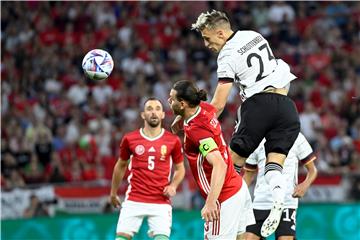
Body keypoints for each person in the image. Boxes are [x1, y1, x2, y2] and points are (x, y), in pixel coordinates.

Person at [188, 10, 301, 236]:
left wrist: (196, 120)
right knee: (274, 165)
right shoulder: (254, 35)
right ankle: (279, 193)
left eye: (207, 38)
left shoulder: (227, 55)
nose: (206, 44)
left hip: (258, 106)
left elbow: (219, 103)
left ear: (220, 33)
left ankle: (228, 214)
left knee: (230, 166)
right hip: (287, 107)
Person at [168, 80, 255, 240]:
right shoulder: (204, 110)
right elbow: (218, 105)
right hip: (238, 187)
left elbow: (219, 164)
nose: (169, 101)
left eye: (172, 99)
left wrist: (210, 202)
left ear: (182, 104)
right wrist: (181, 121)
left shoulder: (196, 131)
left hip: (224, 197)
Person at [109, 97, 185, 240]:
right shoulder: (130, 139)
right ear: (143, 115)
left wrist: (173, 185)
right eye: (149, 109)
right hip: (134, 199)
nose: (153, 112)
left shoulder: (173, 141)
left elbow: (180, 169)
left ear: (163, 114)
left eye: (157, 109)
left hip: (161, 200)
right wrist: (113, 193)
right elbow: (120, 165)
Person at [243, 133, 318, 239]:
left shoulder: (296, 136)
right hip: (261, 202)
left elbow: (312, 170)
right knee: (248, 238)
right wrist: (236, 198)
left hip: (286, 201)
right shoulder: (256, 137)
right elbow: (248, 175)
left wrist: (304, 185)